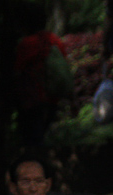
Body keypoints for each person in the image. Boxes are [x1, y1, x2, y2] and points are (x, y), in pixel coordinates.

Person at [13, 4, 70, 147]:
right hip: (53, 97)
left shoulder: (26, 44)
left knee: (33, 140)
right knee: (44, 136)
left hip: (32, 100)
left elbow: (17, 70)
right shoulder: (55, 40)